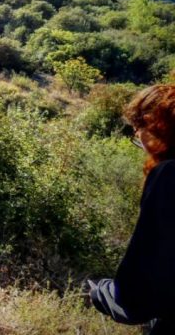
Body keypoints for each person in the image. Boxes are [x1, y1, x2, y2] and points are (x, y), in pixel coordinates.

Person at [89, 84, 175, 333]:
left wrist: (102, 293)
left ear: (159, 125)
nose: (137, 135)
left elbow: (135, 298)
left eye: (140, 126)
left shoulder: (168, 175)